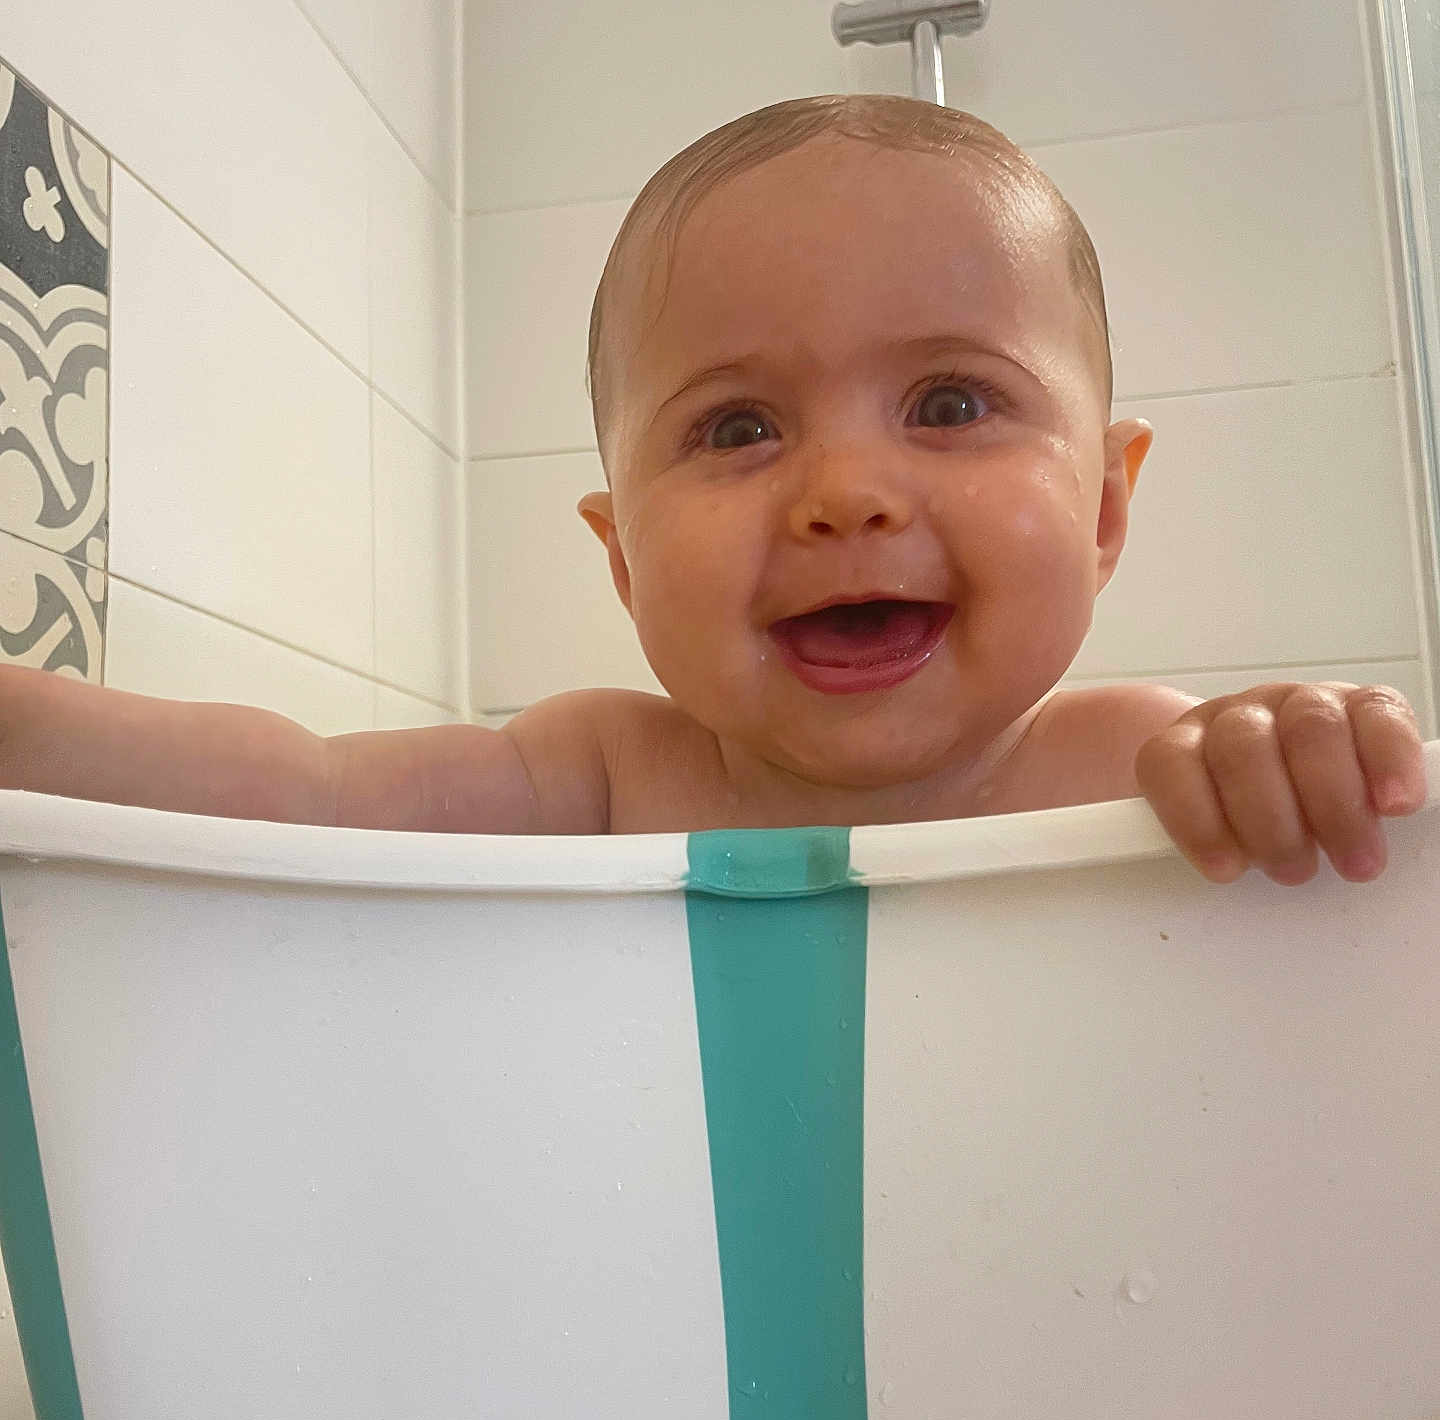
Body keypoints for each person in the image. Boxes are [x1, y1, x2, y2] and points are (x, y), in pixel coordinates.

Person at [0, 95, 1424, 885]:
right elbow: (302, 795)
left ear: (1107, 510)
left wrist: (1301, 753)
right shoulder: (603, 776)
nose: (846, 492)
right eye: (737, 427)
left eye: (948, 403)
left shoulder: (1144, 766)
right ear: (621, 564)